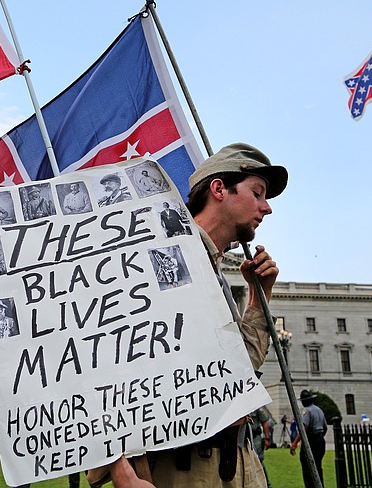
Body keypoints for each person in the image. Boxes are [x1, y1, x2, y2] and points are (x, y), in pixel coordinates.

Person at [88, 142, 288, 488]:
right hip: (181, 470)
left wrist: (258, 294)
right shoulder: (156, 255)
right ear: (219, 189)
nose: (266, 208)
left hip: (238, 464)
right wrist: (121, 470)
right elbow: (100, 362)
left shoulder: (217, 273)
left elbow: (242, 368)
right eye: (258, 193)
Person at [290, 390, 327, 488]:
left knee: (308, 468)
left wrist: (294, 443)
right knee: (318, 467)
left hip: (311, 442)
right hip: (320, 441)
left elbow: (303, 429)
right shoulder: (319, 410)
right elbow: (325, 427)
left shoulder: (307, 411)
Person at [250, 407, 273, 488]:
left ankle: (266, 484)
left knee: (259, 461)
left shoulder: (256, 406)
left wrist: (267, 438)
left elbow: (264, 422)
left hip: (255, 438)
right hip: (245, 439)